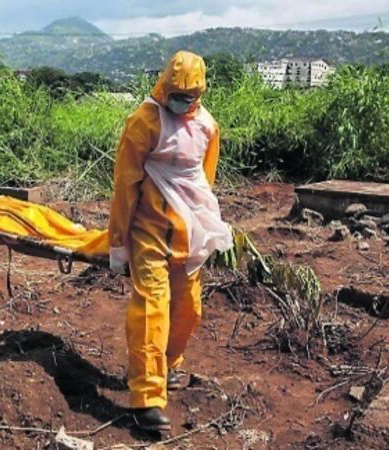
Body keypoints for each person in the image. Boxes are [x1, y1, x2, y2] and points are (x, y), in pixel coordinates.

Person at [108, 51, 233, 431]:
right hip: (148, 230)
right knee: (151, 308)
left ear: (200, 94)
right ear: (164, 87)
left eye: (188, 96)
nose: (180, 101)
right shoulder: (145, 121)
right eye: (175, 94)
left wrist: (205, 227)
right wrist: (118, 243)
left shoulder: (208, 127)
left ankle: (166, 363)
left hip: (189, 235)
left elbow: (203, 182)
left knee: (189, 308)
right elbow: (125, 184)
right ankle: (146, 397)